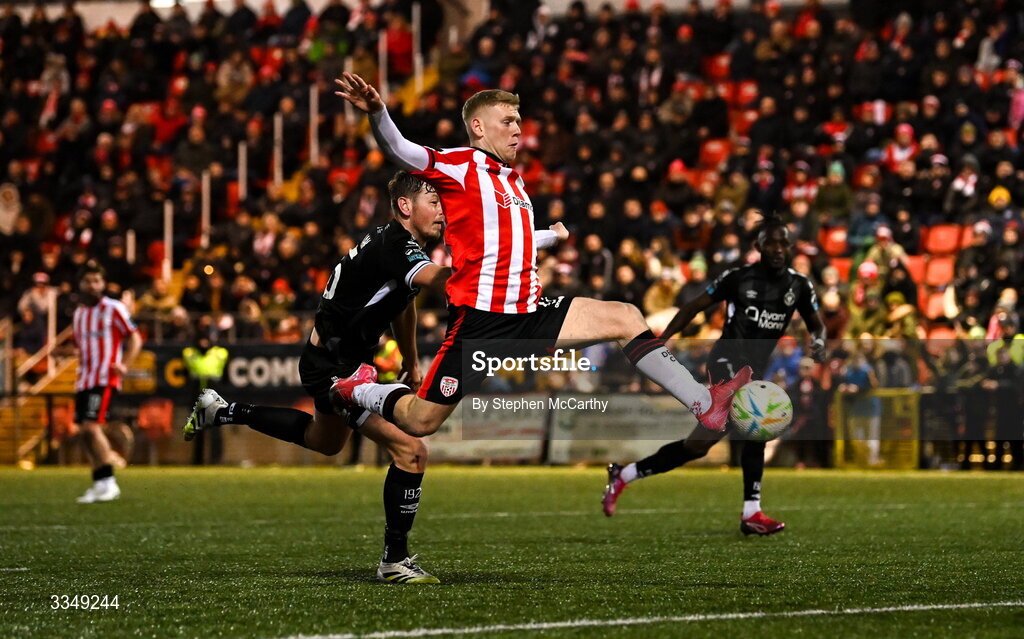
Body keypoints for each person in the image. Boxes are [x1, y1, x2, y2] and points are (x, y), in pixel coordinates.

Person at [329, 72, 751, 442]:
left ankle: (702, 402)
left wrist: (549, 236)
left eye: (519, 121)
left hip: (531, 312)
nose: (518, 130)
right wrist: (377, 113)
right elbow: (401, 149)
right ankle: (360, 388)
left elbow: (509, 238)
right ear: (478, 126)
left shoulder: (513, 183)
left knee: (625, 315)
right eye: (507, 121)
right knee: (421, 423)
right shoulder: (458, 166)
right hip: (482, 320)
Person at [184, 172, 455, 584]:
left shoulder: (396, 248)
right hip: (337, 369)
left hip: (331, 360)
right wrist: (481, 266)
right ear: (405, 206)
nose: (442, 210)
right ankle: (394, 561)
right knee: (412, 450)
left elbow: (403, 301)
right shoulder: (397, 245)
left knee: (322, 441)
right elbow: (434, 279)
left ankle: (222, 410)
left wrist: (410, 357)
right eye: (433, 201)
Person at [601, 216, 827, 535]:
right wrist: (662, 339)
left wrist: (817, 340)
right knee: (758, 424)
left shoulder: (799, 285)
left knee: (697, 447)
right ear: (759, 247)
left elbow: (816, 323)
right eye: (771, 243)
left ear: (789, 247)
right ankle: (752, 512)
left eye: (783, 243)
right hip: (726, 359)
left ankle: (623, 475)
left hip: (755, 369)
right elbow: (693, 306)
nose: (777, 249)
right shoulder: (737, 278)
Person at [72, 262, 143, 504]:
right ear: (80, 284)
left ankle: (110, 482)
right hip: (84, 378)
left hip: (104, 377)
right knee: (83, 432)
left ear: (103, 284)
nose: (92, 286)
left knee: (92, 427)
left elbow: (134, 337)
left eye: (96, 281)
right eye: (88, 281)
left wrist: (125, 364)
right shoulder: (80, 313)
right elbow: (82, 347)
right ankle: (99, 482)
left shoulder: (113, 308)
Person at [182, 335, 229, 465]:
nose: (203, 342)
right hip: (197, 394)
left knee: (215, 429)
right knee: (197, 428)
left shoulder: (220, 353)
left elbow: (226, 377)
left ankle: (216, 460)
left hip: (214, 395)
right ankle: (198, 460)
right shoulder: (189, 353)